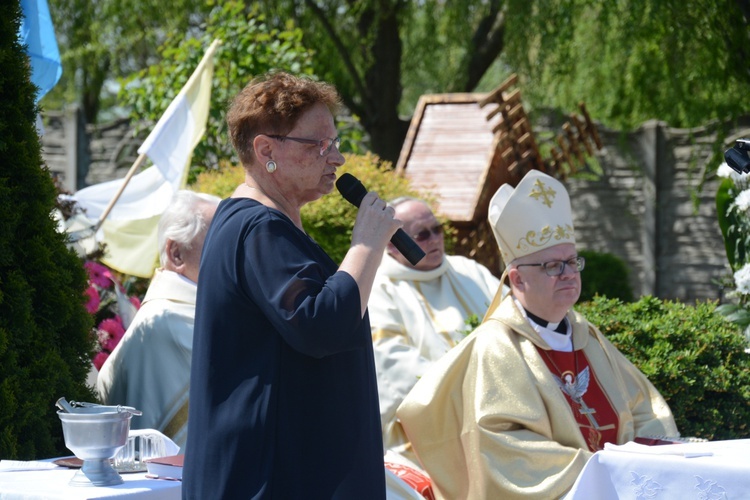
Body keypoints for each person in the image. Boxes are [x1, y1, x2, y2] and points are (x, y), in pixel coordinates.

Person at [182, 72, 400, 499]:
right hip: (271, 479)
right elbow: (321, 326)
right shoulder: (259, 228)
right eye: (320, 145)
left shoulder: (254, 224)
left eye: (336, 143)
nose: (336, 159)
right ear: (266, 151)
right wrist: (366, 245)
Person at [397, 170, 678, 500]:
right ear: (517, 279)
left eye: (572, 262)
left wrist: (645, 461)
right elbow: (502, 446)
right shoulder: (497, 345)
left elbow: (644, 407)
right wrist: (598, 470)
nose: (569, 274)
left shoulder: (587, 336)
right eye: (552, 266)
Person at [368, 196, 504, 466]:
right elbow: (392, 363)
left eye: (437, 229)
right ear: (393, 246)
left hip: (501, 400)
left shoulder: (468, 270)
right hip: (438, 422)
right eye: (422, 234)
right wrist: (464, 395)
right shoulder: (377, 289)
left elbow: (513, 319)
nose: (434, 239)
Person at [97, 190, 220, 449]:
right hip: (173, 484)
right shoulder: (170, 321)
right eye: (220, 244)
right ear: (176, 253)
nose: (234, 258)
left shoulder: (170, 315)